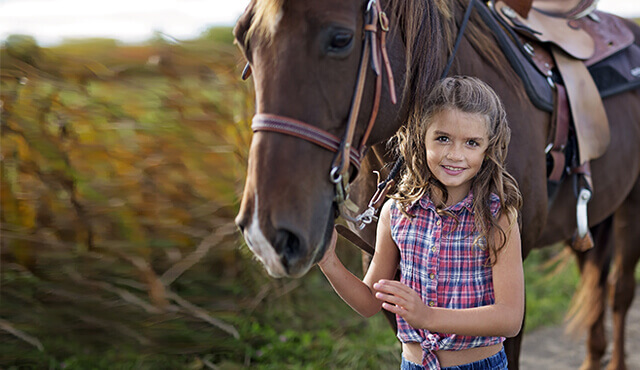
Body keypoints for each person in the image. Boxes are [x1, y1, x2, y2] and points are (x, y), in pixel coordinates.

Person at [318, 76, 524, 369]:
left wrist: (427, 316)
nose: (455, 155)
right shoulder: (397, 212)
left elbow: (509, 318)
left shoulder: (498, 216)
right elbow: (368, 303)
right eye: (442, 138)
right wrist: (328, 261)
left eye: (471, 143)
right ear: (420, 137)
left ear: (488, 148)